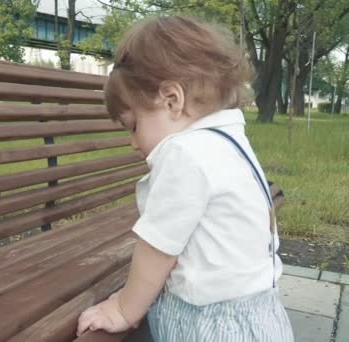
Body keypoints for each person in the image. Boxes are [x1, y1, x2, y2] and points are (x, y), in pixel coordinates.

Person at [75, 16, 294, 341]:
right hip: (260, 317)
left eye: (133, 125)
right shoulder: (229, 140)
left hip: (211, 326)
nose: (133, 142)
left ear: (172, 100)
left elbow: (159, 248)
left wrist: (123, 308)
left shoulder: (184, 154)